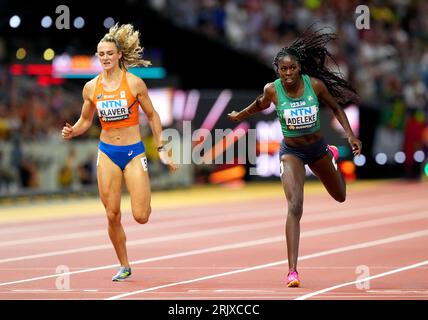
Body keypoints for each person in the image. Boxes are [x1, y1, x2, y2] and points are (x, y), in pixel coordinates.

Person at [228, 28, 362, 287]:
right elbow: (259, 104)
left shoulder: (315, 85)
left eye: (292, 68)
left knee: (341, 196)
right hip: (292, 152)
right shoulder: (272, 90)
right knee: (294, 206)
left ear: (299, 68)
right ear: (277, 69)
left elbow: (335, 108)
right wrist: (239, 116)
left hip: (318, 150)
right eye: (283, 69)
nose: (288, 74)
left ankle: (331, 157)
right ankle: (292, 271)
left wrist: (350, 135)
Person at [62, 23, 177, 281]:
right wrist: (73, 131)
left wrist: (161, 147)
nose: (105, 58)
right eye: (100, 54)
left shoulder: (134, 84)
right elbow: (85, 120)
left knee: (141, 216)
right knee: (112, 213)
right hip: (107, 152)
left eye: (109, 53)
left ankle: (144, 195)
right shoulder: (91, 88)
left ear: (119, 55)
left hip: (134, 152)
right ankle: (124, 264)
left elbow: (153, 115)